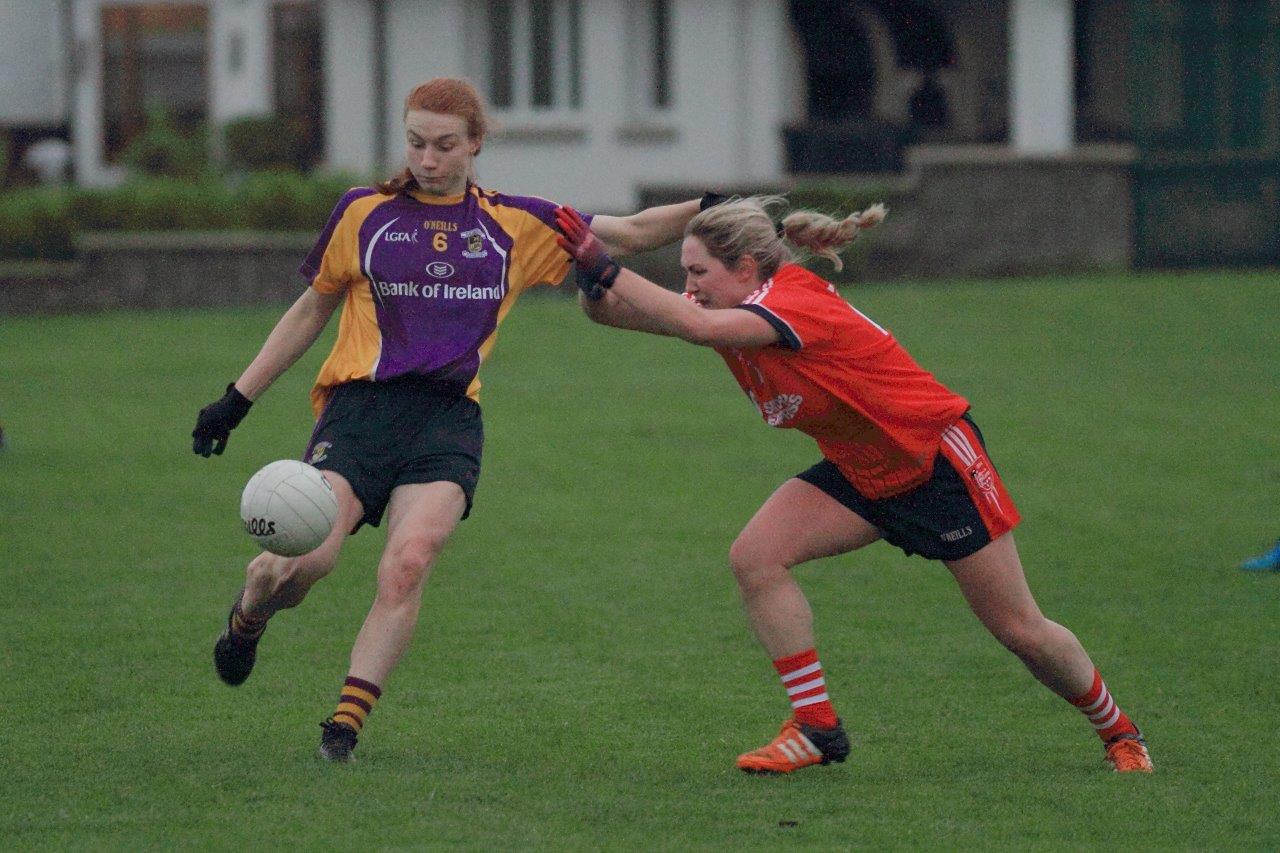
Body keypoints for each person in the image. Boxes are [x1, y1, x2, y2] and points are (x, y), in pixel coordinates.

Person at [191, 78, 705, 762]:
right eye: (415, 143)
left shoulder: (518, 223)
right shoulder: (362, 212)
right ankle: (249, 612)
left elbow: (633, 231)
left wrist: (727, 205)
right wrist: (238, 397)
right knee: (302, 566)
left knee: (408, 563)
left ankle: (343, 727)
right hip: (361, 414)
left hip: (447, 422)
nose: (427, 159)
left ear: (475, 144)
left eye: (444, 145)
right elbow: (311, 309)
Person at [554, 198, 1155, 774]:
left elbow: (690, 323)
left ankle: (1119, 731)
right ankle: (816, 727)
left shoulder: (790, 301)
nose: (689, 287)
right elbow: (611, 312)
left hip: (933, 461)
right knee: (757, 559)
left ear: (744, 268)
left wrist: (604, 258)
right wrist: (590, 276)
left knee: (1020, 630)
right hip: (860, 471)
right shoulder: (728, 313)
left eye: (697, 272)